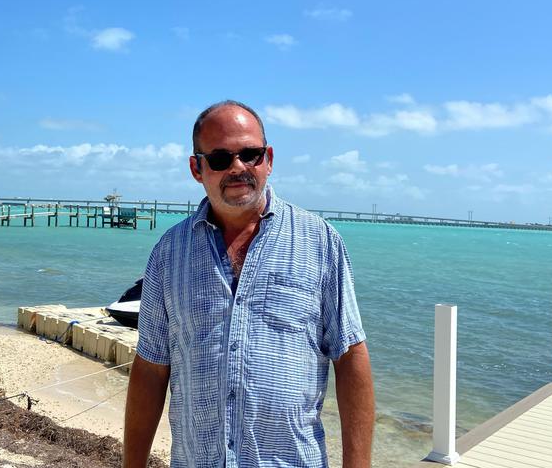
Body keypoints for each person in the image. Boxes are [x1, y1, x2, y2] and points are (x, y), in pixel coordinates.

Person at [123, 100, 374, 468]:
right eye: (221, 158)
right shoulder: (168, 253)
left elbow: (350, 357)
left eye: (250, 155)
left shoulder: (320, 242)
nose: (238, 167)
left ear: (268, 159)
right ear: (197, 167)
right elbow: (150, 368)